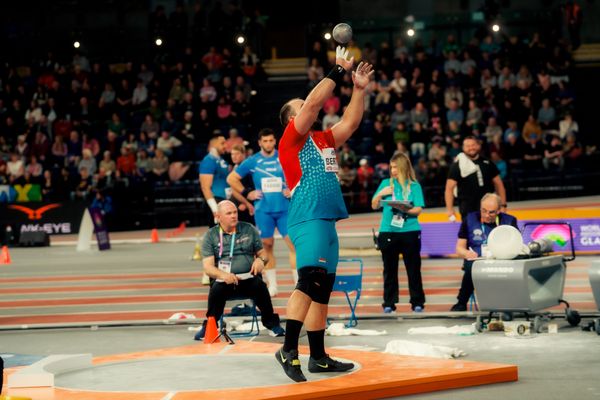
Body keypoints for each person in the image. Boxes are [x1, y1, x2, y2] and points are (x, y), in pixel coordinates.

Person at [275, 46, 373, 382]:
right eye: (301, 107)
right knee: (310, 282)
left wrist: (358, 90)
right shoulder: (291, 139)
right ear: (292, 119)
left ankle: (318, 357)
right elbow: (316, 102)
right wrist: (337, 71)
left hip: (327, 220)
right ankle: (289, 349)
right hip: (307, 218)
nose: (309, 107)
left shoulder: (323, 139)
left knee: (323, 288)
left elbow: (350, 121)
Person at [193, 200, 285, 339]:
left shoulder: (249, 229)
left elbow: (263, 254)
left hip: (249, 279)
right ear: (218, 217)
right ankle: (210, 325)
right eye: (229, 213)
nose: (233, 216)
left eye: (235, 212)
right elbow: (208, 267)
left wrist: (261, 261)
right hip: (224, 281)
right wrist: (224, 275)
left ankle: (272, 325)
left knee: (261, 286)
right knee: (216, 290)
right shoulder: (211, 235)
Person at [227, 128, 297, 297]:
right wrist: (247, 193)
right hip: (263, 211)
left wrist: (292, 189)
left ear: (275, 141)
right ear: (259, 143)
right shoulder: (253, 161)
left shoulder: (284, 156)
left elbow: (299, 174)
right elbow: (231, 179)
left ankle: (298, 285)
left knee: (294, 245)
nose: (268, 144)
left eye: (271, 140)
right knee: (267, 246)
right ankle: (272, 285)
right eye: (265, 141)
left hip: (284, 209)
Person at [371, 153, 426, 313]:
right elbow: (374, 205)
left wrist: (404, 208)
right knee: (389, 270)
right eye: (391, 166)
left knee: (413, 269)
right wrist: (382, 193)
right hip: (388, 231)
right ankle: (389, 303)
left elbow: (418, 209)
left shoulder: (414, 186)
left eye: (395, 167)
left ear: (403, 167)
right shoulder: (385, 183)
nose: (392, 170)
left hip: (410, 230)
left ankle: (417, 302)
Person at [450, 193, 518, 311]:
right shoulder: (469, 219)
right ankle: (461, 302)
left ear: (498, 210)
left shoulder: (509, 221)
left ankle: (510, 301)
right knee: (471, 266)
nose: (487, 215)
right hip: (477, 259)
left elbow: (516, 246)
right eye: (484, 211)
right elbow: (459, 248)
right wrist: (467, 254)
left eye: (491, 212)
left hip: (502, 259)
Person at [444, 136, 506, 222]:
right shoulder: (457, 165)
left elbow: (499, 185)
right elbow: (449, 189)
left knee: (491, 234)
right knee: (470, 235)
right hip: (468, 209)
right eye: (467, 146)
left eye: (473, 145)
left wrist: (503, 205)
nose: (471, 148)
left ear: (478, 146)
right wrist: (450, 209)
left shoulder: (487, 162)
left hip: (489, 208)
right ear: (463, 148)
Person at [199, 134, 231, 227]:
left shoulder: (222, 160)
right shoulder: (208, 160)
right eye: (222, 143)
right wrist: (215, 209)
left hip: (225, 201)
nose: (225, 146)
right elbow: (205, 187)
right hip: (216, 201)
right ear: (213, 145)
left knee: (228, 238)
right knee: (218, 238)